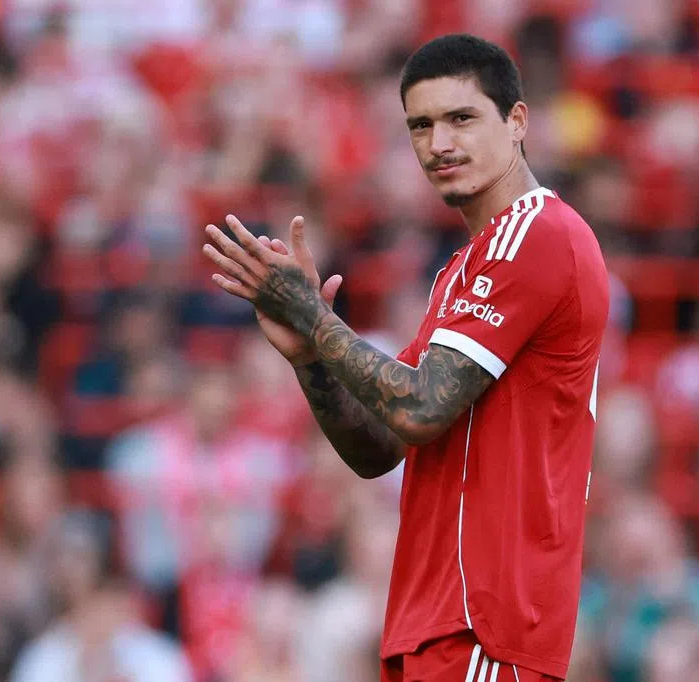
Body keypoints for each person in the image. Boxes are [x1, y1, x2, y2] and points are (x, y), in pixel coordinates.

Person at [203, 33, 610, 682]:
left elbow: (419, 409)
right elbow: (379, 449)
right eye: (421, 125)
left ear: (517, 121)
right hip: (435, 621)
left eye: (461, 118)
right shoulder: (464, 269)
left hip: (487, 623)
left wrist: (314, 317)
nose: (439, 143)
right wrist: (310, 356)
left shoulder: (539, 234)